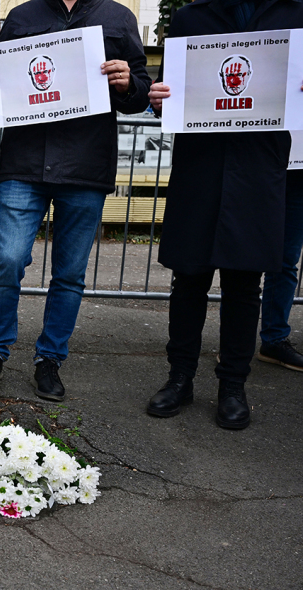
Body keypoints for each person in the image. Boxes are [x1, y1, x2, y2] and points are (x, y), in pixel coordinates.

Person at [0, 0, 151, 400]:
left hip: (86, 165)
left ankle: (50, 360)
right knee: (7, 261)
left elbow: (140, 93)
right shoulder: (21, 17)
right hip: (24, 163)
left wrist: (129, 84)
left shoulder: (118, 18)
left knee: (69, 274)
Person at [146, 0, 303, 429]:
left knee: (244, 282)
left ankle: (233, 385)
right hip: (201, 164)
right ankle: (180, 378)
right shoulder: (190, 18)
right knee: (189, 278)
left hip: (259, 167)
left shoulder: (295, 17)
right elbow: (166, 90)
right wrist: (158, 97)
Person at [258, 172, 303, 371]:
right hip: (259, 164)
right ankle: (233, 342)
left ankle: (274, 340)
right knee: (240, 262)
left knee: (287, 260)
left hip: (298, 173)